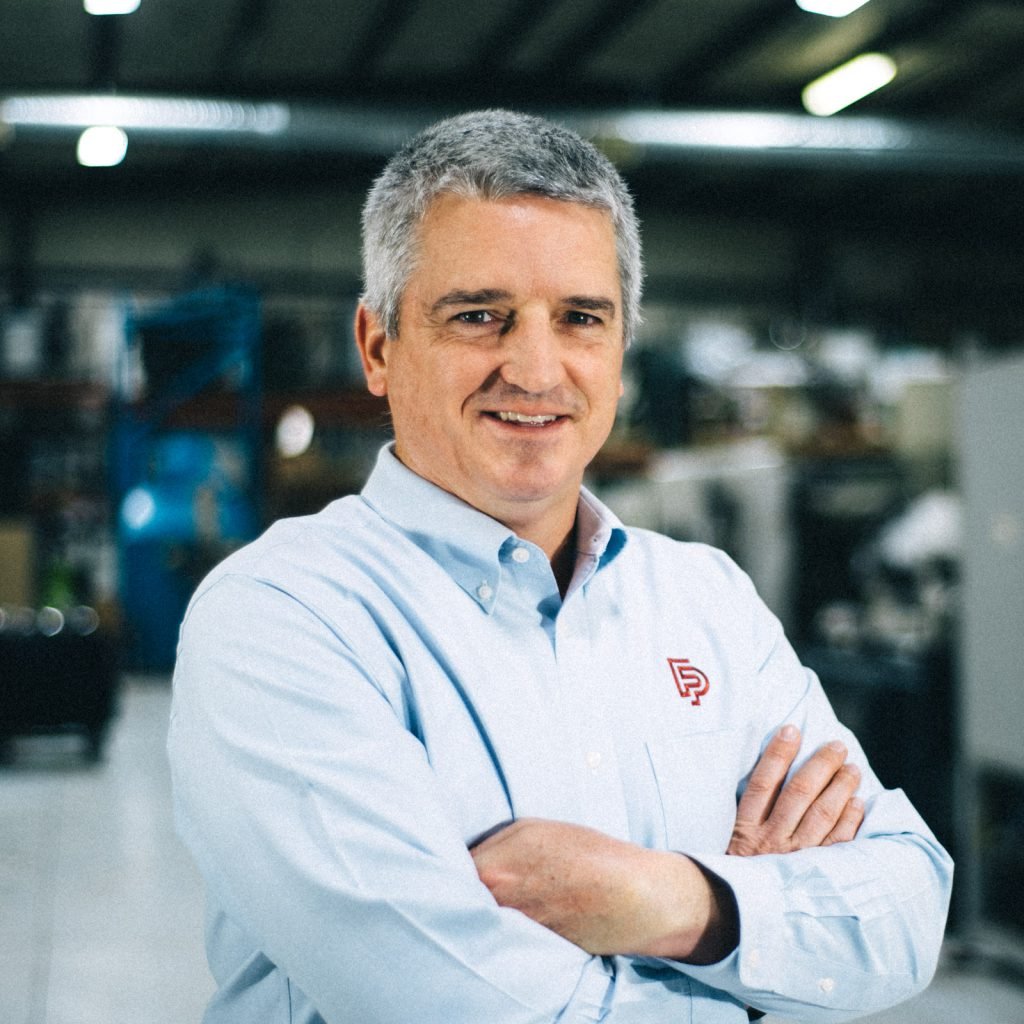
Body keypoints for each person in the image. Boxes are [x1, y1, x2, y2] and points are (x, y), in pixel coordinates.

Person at [168, 109, 952, 1023]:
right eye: (479, 317)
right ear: (378, 347)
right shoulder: (283, 615)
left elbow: (905, 909)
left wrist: (682, 903)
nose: (536, 369)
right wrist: (757, 962)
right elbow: (441, 1000)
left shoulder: (705, 602)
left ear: (620, 352)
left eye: (581, 318)